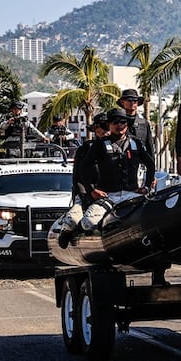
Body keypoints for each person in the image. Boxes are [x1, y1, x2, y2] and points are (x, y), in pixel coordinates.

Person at [78, 108, 157, 231]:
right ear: (109, 125)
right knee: (88, 222)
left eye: (122, 122)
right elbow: (84, 167)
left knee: (153, 216)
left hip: (132, 194)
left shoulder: (136, 143)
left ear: (127, 124)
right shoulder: (99, 144)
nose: (119, 125)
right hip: (109, 196)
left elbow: (151, 164)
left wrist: (147, 187)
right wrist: (92, 190)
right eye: (115, 122)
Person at [56, 112, 110, 248]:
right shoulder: (85, 149)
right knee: (73, 219)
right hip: (87, 194)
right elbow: (78, 177)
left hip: (111, 194)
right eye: (101, 127)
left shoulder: (118, 148)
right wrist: (87, 194)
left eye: (107, 127)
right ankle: (68, 233)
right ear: (96, 130)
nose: (104, 131)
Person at [118, 88, 156, 159]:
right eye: (129, 100)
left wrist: (151, 166)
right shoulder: (116, 123)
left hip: (140, 164)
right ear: (122, 102)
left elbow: (150, 147)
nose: (132, 103)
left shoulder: (144, 123)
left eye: (135, 101)